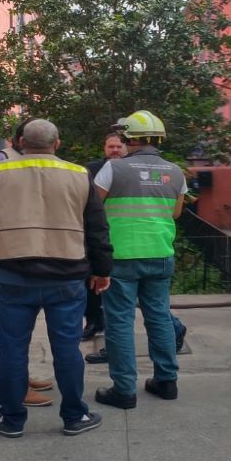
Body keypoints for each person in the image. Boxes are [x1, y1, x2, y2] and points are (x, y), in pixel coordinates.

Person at [0, 119, 114, 438]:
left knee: (12, 348)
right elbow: (97, 228)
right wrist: (102, 270)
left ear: (21, 142)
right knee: (67, 349)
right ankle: (75, 416)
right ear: (57, 143)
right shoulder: (79, 174)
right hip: (68, 275)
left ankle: (12, 419)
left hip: (15, 274)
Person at [94, 110, 187, 409]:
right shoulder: (175, 172)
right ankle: (166, 381)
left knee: (120, 322)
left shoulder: (113, 169)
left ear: (126, 138)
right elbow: (175, 213)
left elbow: (93, 210)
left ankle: (124, 390)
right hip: (160, 254)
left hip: (121, 257)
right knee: (158, 316)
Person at [82, 132, 128, 341]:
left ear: (125, 148)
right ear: (104, 148)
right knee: (91, 282)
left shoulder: (131, 170)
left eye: (119, 147)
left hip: (124, 235)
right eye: (111, 147)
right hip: (96, 233)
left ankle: (172, 326)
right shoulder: (91, 170)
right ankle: (94, 321)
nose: (115, 150)